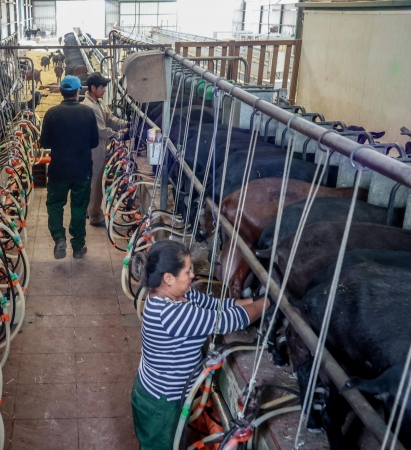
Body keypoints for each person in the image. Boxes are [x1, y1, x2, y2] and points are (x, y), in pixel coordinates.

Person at [131, 240, 270, 450]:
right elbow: (231, 320)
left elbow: (218, 306)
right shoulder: (171, 314)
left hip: (157, 391)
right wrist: (270, 300)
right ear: (168, 278)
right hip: (160, 402)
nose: (193, 276)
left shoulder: (177, 294)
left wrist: (254, 302)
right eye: (187, 271)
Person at [39, 75, 99, 259]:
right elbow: (94, 142)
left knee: (55, 205)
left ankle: (59, 238)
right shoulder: (88, 112)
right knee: (79, 207)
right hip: (82, 171)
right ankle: (79, 247)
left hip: (59, 170)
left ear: (62, 92)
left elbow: (45, 143)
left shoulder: (51, 113)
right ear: (78, 91)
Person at [82, 72, 128, 227]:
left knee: (95, 180)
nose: (105, 90)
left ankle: (90, 210)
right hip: (94, 149)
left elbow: (111, 120)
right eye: (102, 87)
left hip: (99, 146)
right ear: (93, 88)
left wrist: (128, 124)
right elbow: (102, 130)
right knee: (95, 181)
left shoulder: (99, 103)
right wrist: (121, 136)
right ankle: (94, 215)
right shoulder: (89, 107)